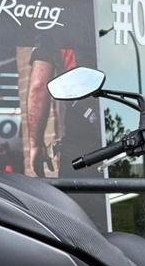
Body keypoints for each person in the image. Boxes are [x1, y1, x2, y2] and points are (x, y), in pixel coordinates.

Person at [26, 43, 99, 177]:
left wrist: (35, 145)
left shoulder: (53, 31)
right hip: (127, 134)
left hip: (82, 144)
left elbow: (39, 86)